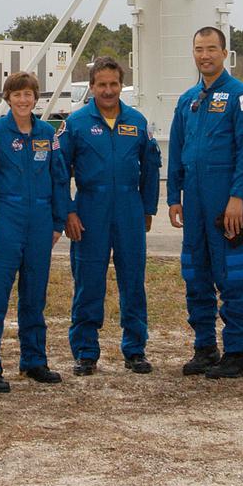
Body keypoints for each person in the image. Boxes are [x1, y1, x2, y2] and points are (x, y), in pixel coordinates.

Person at [167, 26, 243, 379]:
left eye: (211, 49)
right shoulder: (188, 100)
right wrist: (172, 197)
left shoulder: (240, 96)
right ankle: (205, 347)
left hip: (226, 203)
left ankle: (236, 353)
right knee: (195, 273)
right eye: (198, 49)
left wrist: (238, 196)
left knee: (232, 275)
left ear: (224, 53)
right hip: (192, 203)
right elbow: (177, 149)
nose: (204, 55)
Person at [59, 57, 161, 375]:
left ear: (121, 85)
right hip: (90, 210)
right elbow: (59, 171)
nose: (108, 90)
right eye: (101, 84)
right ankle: (86, 351)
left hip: (129, 210)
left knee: (133, 281)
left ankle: (134, 349)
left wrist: (148, 208)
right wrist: (68, 211)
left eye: (113, 84)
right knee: (89, 283)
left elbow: (151, 168)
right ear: (91, 87)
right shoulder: (75, 124)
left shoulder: (137, 122)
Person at [0, 71, 69, 392]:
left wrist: (58, 221)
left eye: (29, 94)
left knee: (34, 297)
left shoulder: (47, 133)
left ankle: (34, 360)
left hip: (40, 223)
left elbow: (59, 177)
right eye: (17, 94)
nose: (24, 100)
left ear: (35, 97)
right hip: (5, 223)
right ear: (8, 98)